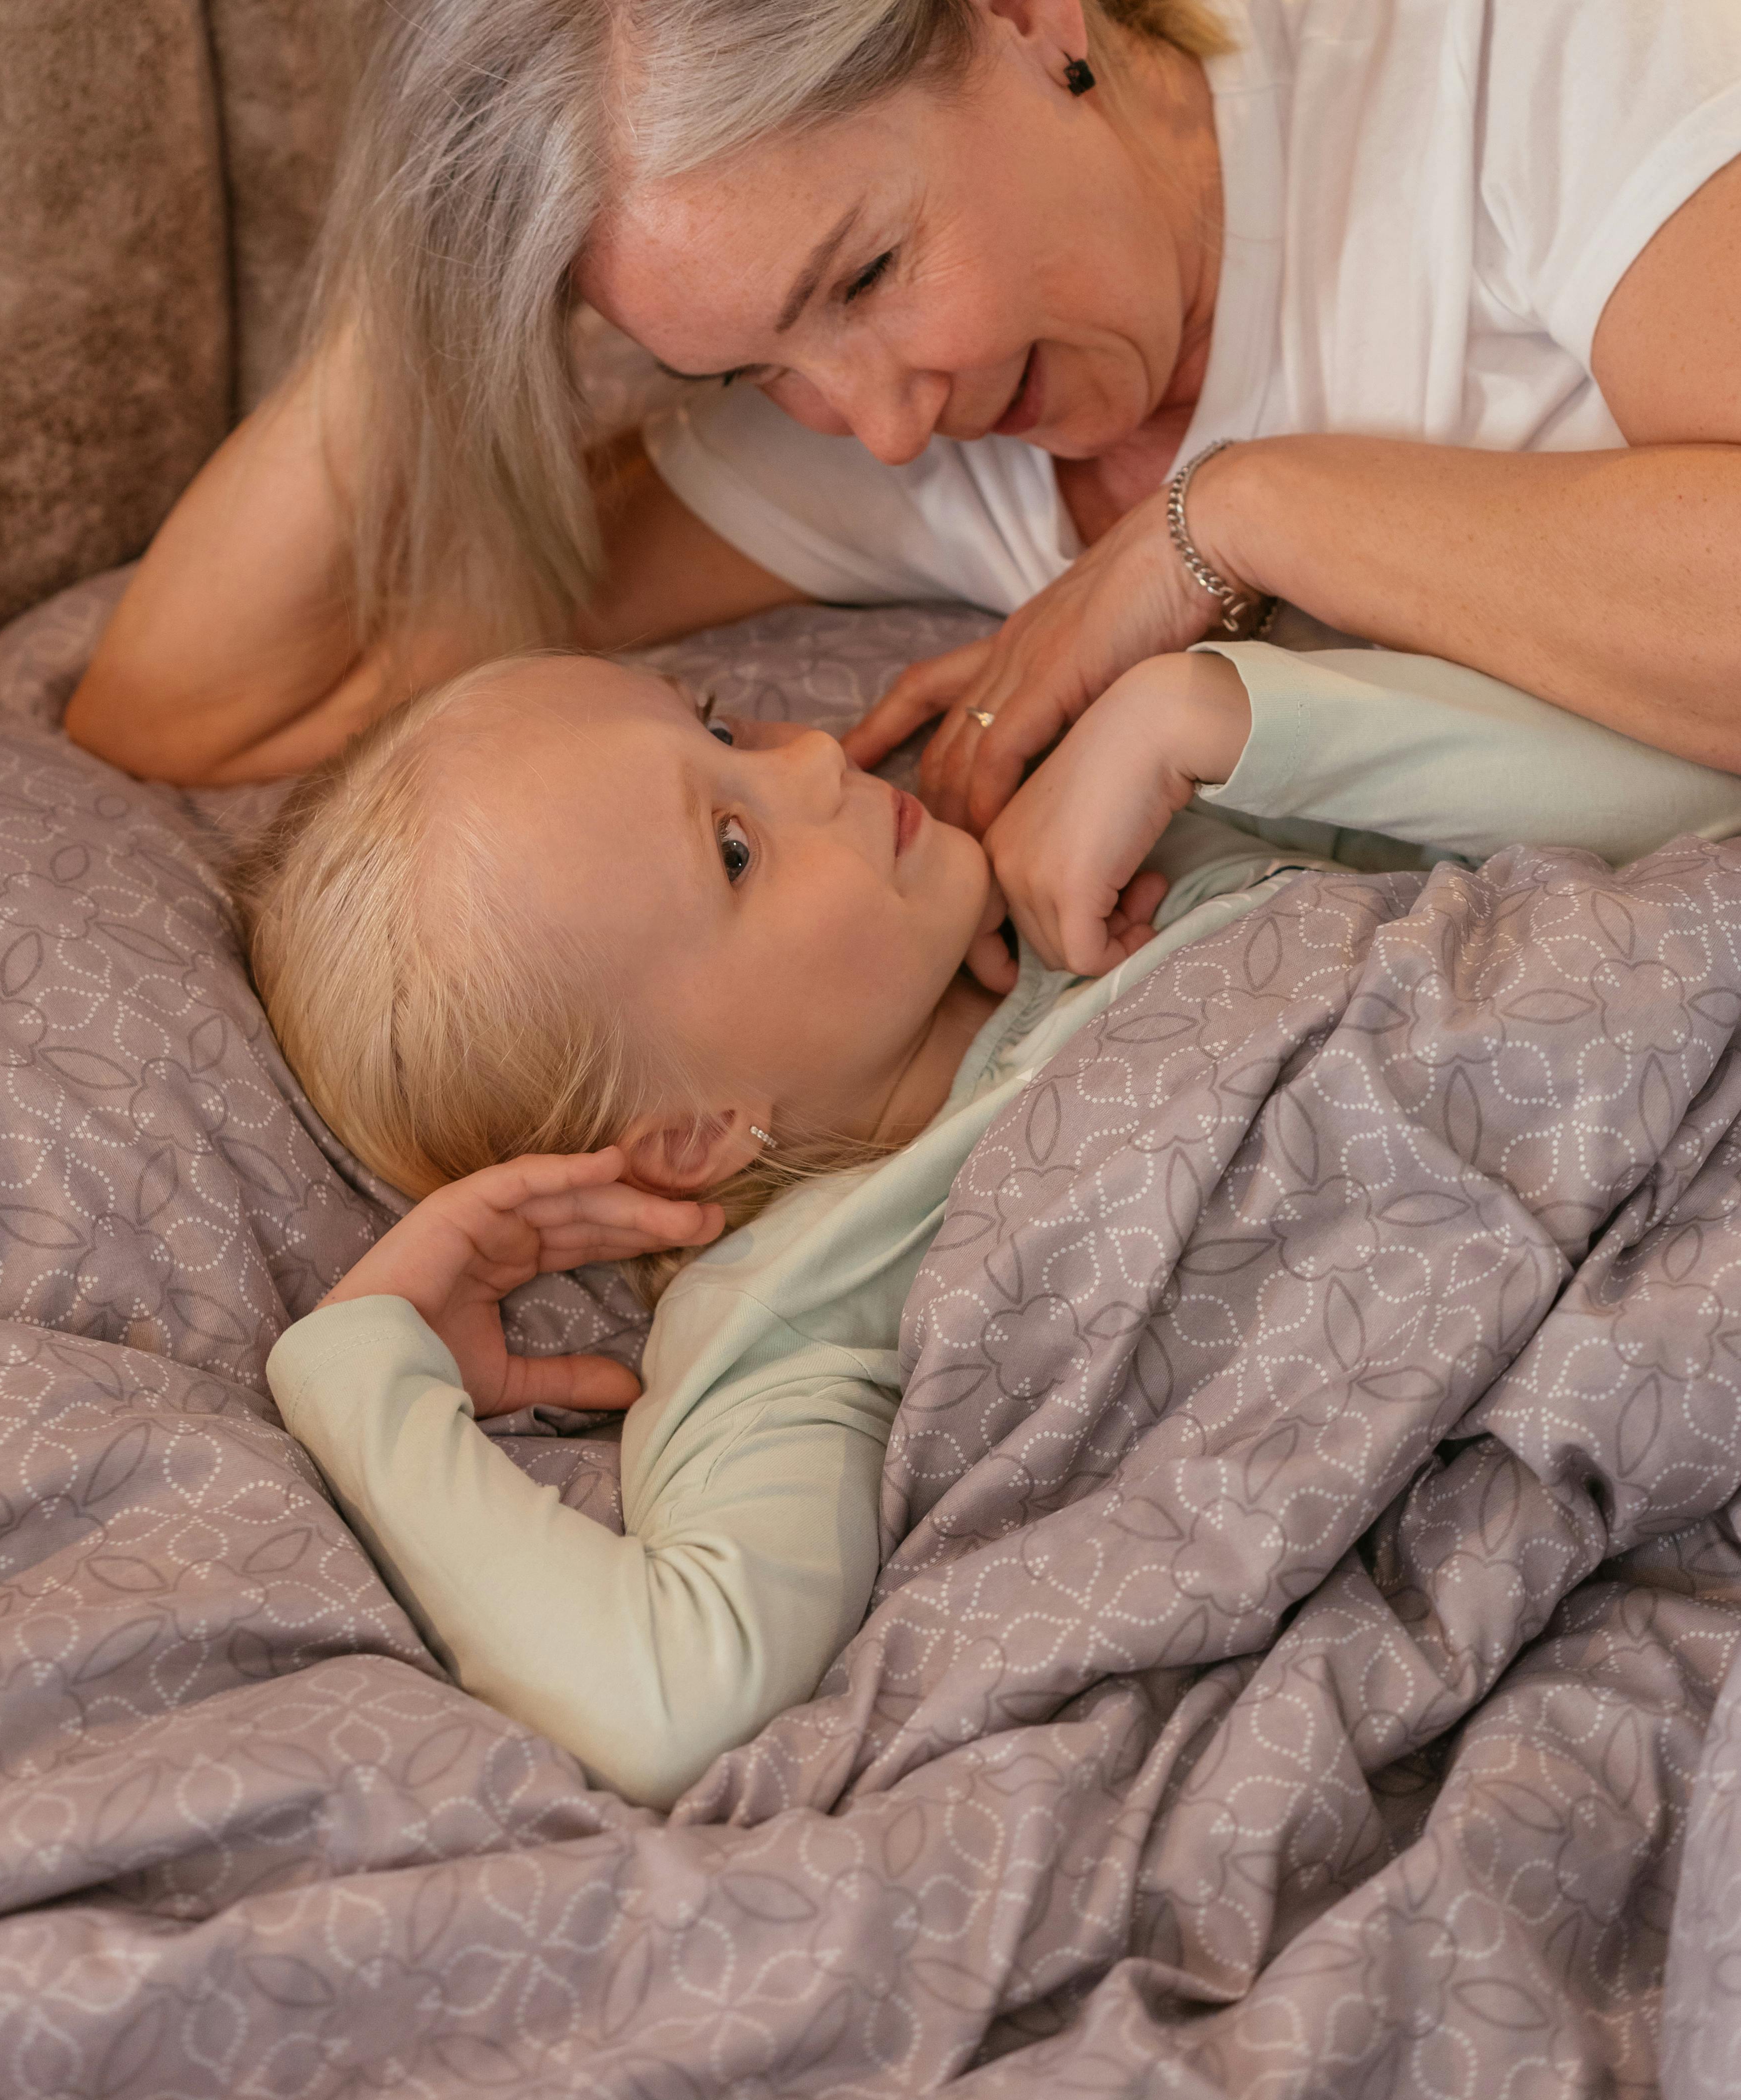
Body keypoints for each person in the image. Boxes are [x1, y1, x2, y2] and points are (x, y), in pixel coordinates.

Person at [63, 0, 1741, 983]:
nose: (876, 423)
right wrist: (439, 238)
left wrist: (1230, 519)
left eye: (861, 277)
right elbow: (191, 716)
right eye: (749, 369)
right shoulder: (900, 444)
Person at [246, 629, 1741, 1809]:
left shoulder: (1121, 861)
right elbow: (671, 1704)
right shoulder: (786, 1308)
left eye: (721, 728)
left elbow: (1689, 800)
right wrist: (360, 1374)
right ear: (694, 1133)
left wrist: (1210, 716)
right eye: (734, 848)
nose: (818, 756)